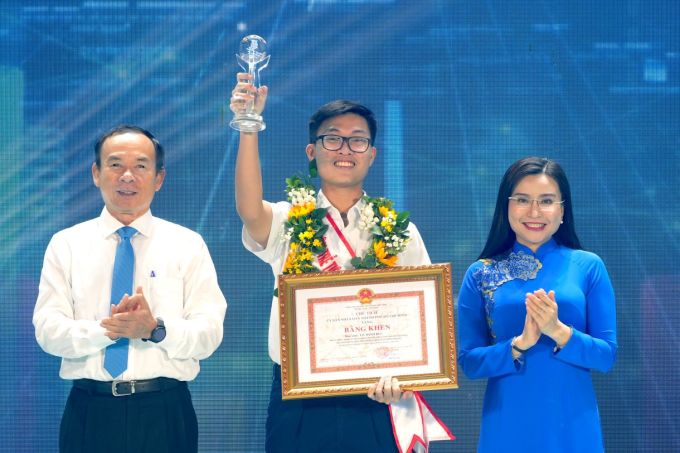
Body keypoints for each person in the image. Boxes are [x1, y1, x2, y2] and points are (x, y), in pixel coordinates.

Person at [230, 74, 452, 453]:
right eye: (332, 138)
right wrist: (248, 127)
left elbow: (424, 317)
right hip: (298, 394)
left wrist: (406, 376)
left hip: (378, 396)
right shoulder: (287, 219)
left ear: (372, 153)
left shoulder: (399, 231)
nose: (344, 148)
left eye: (358, 140)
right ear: (312, 151)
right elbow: (249, 210)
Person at [33, 125, 227, 453]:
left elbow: (208, 334)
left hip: (164, 411)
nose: (127, 176)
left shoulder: (187, 245)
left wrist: (154, 329)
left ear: (159, 178)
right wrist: (108, 331)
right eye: (115, 165)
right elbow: (48, 331)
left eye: (140, 166)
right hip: (89, 412)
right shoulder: (65, 245)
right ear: (96, 173)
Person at [457, 157, 617, 452]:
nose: (534, 211)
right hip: (506, 425)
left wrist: (558, 331)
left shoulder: (588, 266)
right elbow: (469, 361)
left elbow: (606, 356)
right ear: (506, 207)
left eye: (546, 200)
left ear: (562, 210)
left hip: (573, 426)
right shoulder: (480, 273)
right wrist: (519, 344)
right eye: (522, 199)